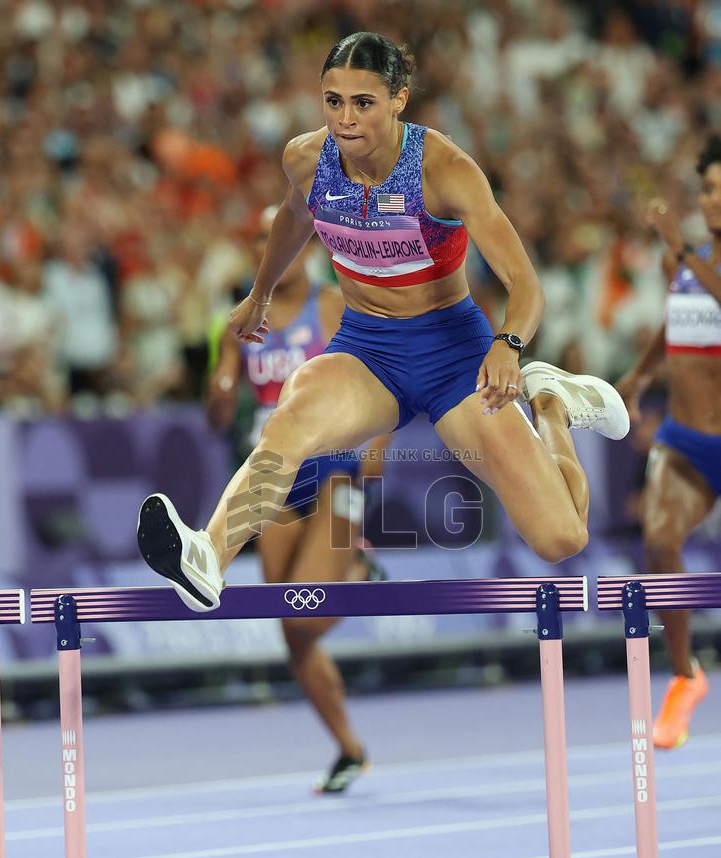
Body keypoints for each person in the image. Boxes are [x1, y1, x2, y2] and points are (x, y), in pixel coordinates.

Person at [137, 33, 628, 631]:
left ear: (399, 99)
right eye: (333, 100)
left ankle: (549, 401)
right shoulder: (305, 158)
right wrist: (261, 292)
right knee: (291, 417)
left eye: (363, 102)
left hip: (456, 359)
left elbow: (527, 284)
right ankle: (208, 555)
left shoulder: (444, 170)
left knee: (560, 538)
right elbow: (295, 217)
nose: (346, 118)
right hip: (368, 350)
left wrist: (509, 346)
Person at [205, 206, 387, 792]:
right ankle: (350, 749)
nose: (268, 246)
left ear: (304, 242)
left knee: (314, 612)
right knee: (291, 626)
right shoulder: (240, 319)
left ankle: (356, 564)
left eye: (274, 235)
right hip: (274, 473)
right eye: (258, 239)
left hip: (334, 466)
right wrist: (220, 383)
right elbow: (217, 415)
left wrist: (378, 439)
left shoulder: (333, 305)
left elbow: (382, 373)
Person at [616, 136, 721, 749]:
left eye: (719, 191)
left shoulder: (684, 255)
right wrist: (642, 372)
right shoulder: (680, 265)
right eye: (706, 189)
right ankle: (685, 676)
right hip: (686, 440)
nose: (710, 200)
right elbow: (679, 319)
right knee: (658, 538)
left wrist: (679, 248)